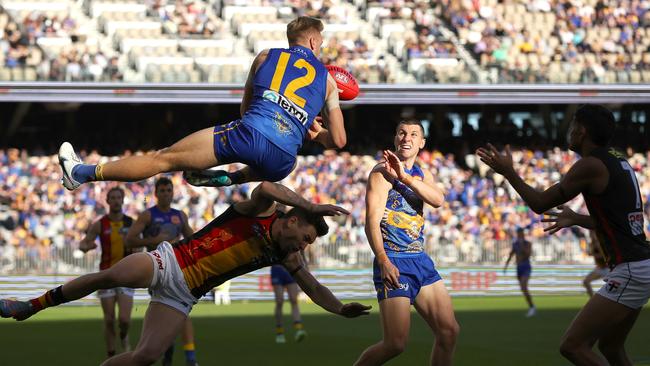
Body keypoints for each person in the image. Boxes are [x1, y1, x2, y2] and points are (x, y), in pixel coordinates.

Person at [0, 181, 371, 366]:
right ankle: (30, 305)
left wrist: (339, 309)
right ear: (292, 220)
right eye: (304, 237)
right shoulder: (262, 210)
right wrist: (311, 204)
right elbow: (265, 187)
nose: (302, 247)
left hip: (184, 295)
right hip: (170, 261)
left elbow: (314, 287)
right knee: (110, 277)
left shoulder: (287, 257)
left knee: (146, 356)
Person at [58, 16, 345, 191]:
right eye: (320, 41)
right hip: (284, 160)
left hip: (252, 133)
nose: (320, 45)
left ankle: (80, 173)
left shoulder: (264, 56)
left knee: (163, 159)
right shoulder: (329, 82)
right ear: (311, 40)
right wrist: (312, 131)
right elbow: (339, 141)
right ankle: (230, 180)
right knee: (270, 159)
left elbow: (246, 111)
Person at [477, 104, 650, 366]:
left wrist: (508, 172)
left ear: (581, 131)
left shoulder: (590, 165)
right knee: (611, 347)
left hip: (630, 268)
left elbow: (539, 203)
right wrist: (576, 218)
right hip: (639, 263)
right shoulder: (617, 159)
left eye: (571, 126)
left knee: (573, 346)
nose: (568, 131)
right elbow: (617, 222)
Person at [355, 120, 459, 366]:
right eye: (401, 133)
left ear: (422, 143)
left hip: (420, 259)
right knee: (395, 344)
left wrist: (406, 177)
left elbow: (438, 200)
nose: (406, 138)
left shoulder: (423, 174)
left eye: (413, 134)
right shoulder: (382, 172)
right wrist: (383, 260)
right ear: (395, 139)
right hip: (394, 259)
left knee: (449, 331)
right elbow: (371, 221)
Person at [125, 177, 198, 366]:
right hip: (157, 269)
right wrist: (152, 241)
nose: (166, 194)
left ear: (173, 192)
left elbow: (193, 241)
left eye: (169, 190)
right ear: (156, 194)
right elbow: (130, 240)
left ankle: (186, 357)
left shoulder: (180, 216)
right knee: (171, 311)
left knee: (181, 309)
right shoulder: (148, 215)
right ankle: (171, 352)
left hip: (178, 268)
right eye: (162, 191)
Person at [79, 186, 136, 359]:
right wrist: (88, 246)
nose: (116, 200)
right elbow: (83, 244)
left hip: (127, 276)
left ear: (123, 200)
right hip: (106, 275)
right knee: (109, 319)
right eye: (113, 197)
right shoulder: (100, 224)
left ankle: (124, 335)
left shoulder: (131, 223)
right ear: (108, 201)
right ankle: (111, 355)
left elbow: (140, 243)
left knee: (124, 320)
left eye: (119, 197)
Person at [503, 227, 536, 317]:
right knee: (523, 289)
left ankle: (532, 308)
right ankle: (531, 307)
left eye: (521, 234)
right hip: (518, 268)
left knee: (524, 286)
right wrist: (506, 266)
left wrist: (522, 246)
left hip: (526, 267)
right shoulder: (515, 244)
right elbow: (511, 255)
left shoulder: (527, 244)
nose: (519, 235)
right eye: (518, 234)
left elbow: (528, 254)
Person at [271, 263, 307, 343]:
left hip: (290, 268)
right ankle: (279, 332)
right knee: (279, 301)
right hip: (277, 269)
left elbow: (300, 253)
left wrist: (305, 268)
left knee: (294, 300)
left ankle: (299, 329)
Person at [581, 230, 609, 297]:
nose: (591, 235)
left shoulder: (600, 242)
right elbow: (591, 253)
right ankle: (592, 299)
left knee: (612, 287)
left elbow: (605, 256)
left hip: (607, 269)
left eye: (592, 233)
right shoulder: (592, 243)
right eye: (590, 233)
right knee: (586, 282)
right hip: (599, 268)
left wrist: (593, 254)